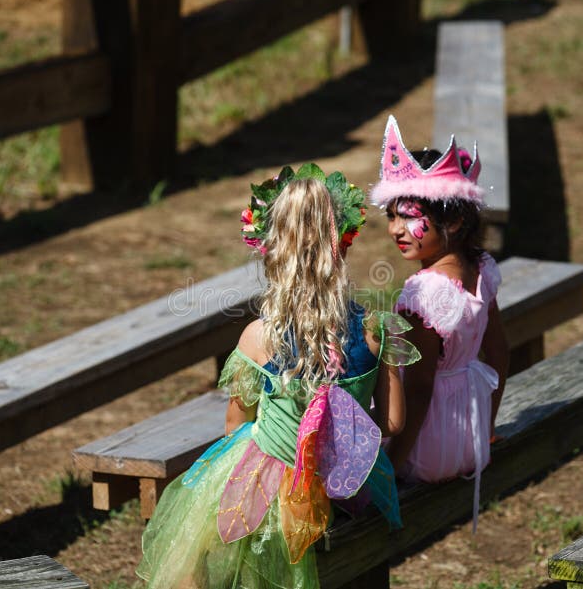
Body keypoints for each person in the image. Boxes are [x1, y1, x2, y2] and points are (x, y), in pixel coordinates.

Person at [137, 163, 419, 589]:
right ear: (340, 246)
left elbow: (236, 425)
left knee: (194, 554)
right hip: (346, 490)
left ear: (274, 251)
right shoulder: (376, 329)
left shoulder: (259, 337)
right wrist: (344, 437)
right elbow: (395, 422)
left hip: (274, 494)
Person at [371, 115, 510, 530]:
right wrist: (485, 429)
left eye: (409, 216)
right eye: (391, 216)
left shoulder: (422, 295)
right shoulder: (482, 268)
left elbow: (419, 388)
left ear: (452, 221)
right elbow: (499, 354)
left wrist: (392, 470)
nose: (397, 229)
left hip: (427, 451)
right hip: (469, 440)